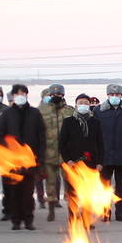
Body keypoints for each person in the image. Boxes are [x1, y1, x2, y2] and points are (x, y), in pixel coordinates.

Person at [0, 82, 46, 230]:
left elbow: (42, 137)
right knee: (13, 192)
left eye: (23, 94)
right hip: (11, 161)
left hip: (30, 160)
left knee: (28, 193)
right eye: (17, 94)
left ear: (27, 95)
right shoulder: (7, 114)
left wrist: (40, 157)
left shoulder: (35, 113)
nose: (20, 96)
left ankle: (28, 220)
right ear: (13, 96)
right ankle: (16, 220)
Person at [95, 83, 122, 222]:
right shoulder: (98, 111)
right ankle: (105, 212)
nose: (115, 97)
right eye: (112, 95)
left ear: (121, 95)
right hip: (105, 157)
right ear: (107, 95)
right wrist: (97, 157)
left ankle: (120, 213)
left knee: (120, 188)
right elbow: (95, 136)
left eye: (117, 95)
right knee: (104, 187)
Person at [38, 83, 75, 222]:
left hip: (67, 155)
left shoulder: (70, 111)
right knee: (51, 184)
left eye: (58, 94)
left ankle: (72, 211)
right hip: (49, 153)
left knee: (71, 184)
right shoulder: (42, 111)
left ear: (63, 95)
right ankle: (51, 210)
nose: (55, 97)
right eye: (52, 95)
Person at [60, 94, 104, 172]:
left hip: (92, 162)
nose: (83, 105)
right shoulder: (68, 121)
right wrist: (68, 160)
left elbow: (101, 144)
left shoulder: (95, 122)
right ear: (76, 105)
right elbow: (62, 143)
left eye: (86, 103)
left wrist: (100, 163)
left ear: (89, 105)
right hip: (73, 162)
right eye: (80, 103)